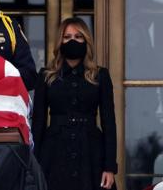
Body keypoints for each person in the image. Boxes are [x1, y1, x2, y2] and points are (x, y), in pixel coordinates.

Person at [32, 17, 117, 190]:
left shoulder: (100, 75)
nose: (73, 40)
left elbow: (109, 123)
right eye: (67, 36)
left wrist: (109, 167)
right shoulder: (46, 76)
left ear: (86, 41)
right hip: (54, 152)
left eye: (78, 37)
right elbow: (38, 122)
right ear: (60, 41)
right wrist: (34, 164)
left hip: (91, 154)